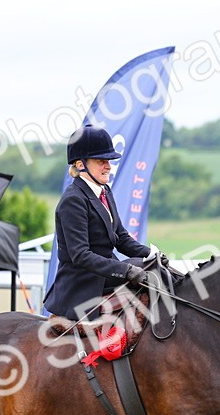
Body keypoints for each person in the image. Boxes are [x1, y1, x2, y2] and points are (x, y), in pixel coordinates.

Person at [43, 125, 153, 321]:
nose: (108, 166)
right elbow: (81, 255)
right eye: (101, 161)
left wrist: (151, 254)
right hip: (82, 286)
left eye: (109, 161)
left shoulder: (105, 191)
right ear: (80, 164)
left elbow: (121, 237)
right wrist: (126, 270)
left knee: (153, 272)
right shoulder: (73, 200)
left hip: (106, 276)